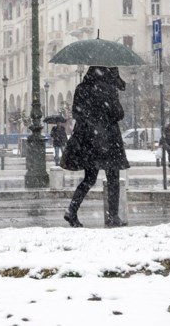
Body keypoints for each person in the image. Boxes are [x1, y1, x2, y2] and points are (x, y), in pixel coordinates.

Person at [61, 66, 130, 228]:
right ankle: (113, 216)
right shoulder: (108, 89)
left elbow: (76, 113)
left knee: (89, 179)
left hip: (89, 141)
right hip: (108, 140)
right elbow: (118, 114)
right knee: (113, 178)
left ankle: (72, 210)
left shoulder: (81, 88)